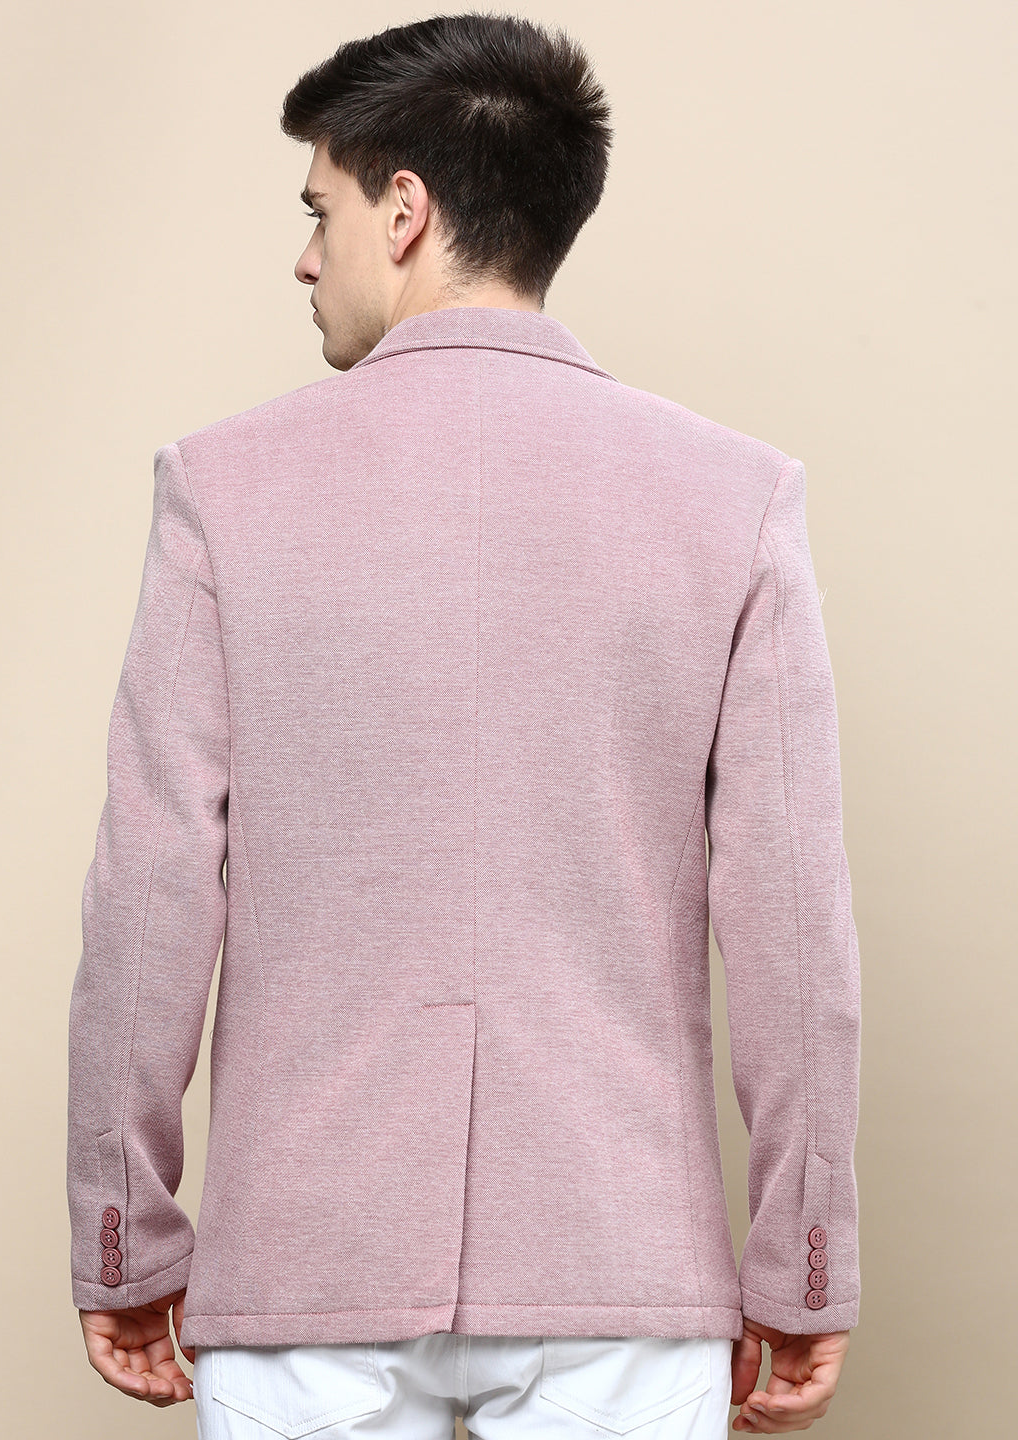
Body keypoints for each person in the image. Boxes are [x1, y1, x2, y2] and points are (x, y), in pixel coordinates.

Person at [67, 12, 861, 1438]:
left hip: (306, 1271)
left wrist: (124, 1232)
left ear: (405, 211)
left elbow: (148, 899)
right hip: (619, 1272)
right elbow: (794, 932)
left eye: (318, 211)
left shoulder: (220, 491)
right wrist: (802, 1261)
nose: (305, 256)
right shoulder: (736, 500)